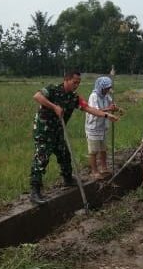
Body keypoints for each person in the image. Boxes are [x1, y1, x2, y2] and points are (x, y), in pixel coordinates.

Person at [30, 71, 119, 205]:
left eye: (78, 83)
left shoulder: (74, 97)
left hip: (58, 130)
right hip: (44, 130)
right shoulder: (53, 89)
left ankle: (68, 179)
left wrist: (106, 115)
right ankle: (35, 191)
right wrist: (54, 107)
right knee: (42, 158)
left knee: (65, 155)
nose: (76, 85)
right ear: (66, 80)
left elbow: (88, 108)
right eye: (74, 82)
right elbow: (37, 96)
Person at [85, 76, 118, 180]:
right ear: (101, 87)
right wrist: (109, 109)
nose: (108, 90)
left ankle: (104, 167)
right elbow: (95, 110)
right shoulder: (94, 96)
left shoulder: (107, 96)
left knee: (103, 149)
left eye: (109, 88)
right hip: (93, 127)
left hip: (103, 126)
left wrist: (115, 108)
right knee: (93, 151)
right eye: (106, 88)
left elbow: (111, 105)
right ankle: (94, 171)